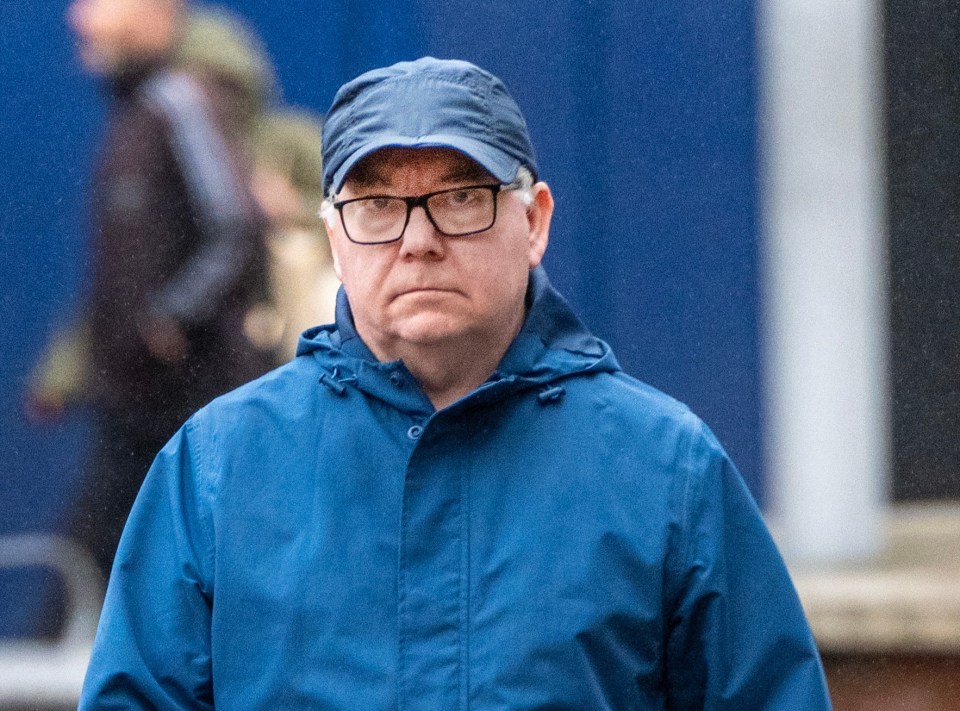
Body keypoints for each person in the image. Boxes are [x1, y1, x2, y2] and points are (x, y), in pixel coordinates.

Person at [79, 57, 833, 709]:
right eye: (376, 205)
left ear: (534, 222)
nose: (417, 241)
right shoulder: (216, 467)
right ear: (333, 238)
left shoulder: (666, 470)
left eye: (461, 197)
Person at [37, 0, 274, 594]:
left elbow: (238, 229)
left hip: (186, 406)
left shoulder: (181, 104)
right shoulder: (137, 114)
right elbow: (120, 280)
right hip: (133, 410)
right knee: (92, 580)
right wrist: (72, 371)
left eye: (97, 3)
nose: (80, 19)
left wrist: (167, 323)